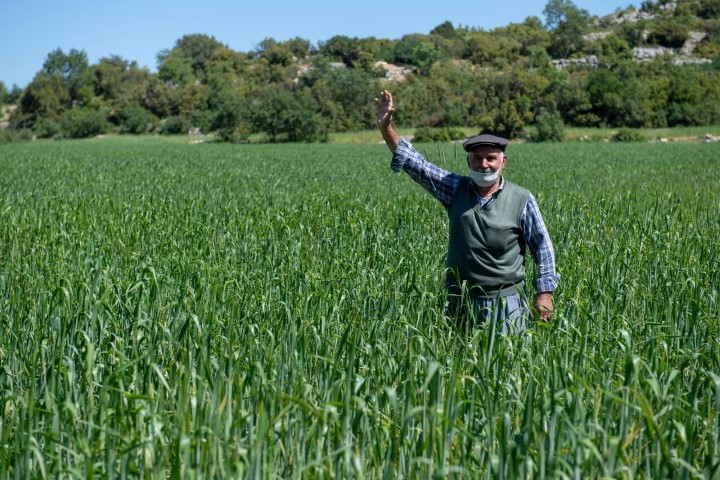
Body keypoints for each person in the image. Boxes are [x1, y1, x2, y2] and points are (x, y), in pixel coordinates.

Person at [375, 90, 559, 334]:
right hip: (460, 301)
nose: (484, 164)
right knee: (460, 365)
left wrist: (544, 293)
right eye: (477, 158)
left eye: (491, 158)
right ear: (468, 162)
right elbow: (416, 165)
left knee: (510, 364)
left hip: (507, 302)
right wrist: (386, 129)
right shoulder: (455, 189)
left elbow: (542, 246)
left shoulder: (521, 198)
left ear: (503, 162)